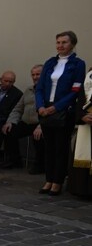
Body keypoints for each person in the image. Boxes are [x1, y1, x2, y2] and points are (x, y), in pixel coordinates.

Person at [36, 31, 86, 195]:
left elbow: (76, 90)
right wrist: (40, 106)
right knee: (48, 147)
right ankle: (48, 179)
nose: (60, 45)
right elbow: (40, 87)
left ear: (72, 44)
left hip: (63, 110)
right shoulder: (50, 62)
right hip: (46, 108)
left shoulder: (78, 64)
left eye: (64, 42)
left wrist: (57, 107)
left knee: (60, 147)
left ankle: (58, 180)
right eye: (58, 42)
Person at [1, 65, 45, 172]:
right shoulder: (28, 90)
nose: (35, 77)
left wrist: (41, 126)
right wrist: (10, 122)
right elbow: (18, 109)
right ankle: (14, 161)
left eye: (38, 74)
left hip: (40, 124)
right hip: (26, 122)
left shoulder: (48, 91)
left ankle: (40, 165)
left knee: (38, 137)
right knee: (9, 131)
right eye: (33, 75)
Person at [67, 65, 92, 198]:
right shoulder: (89, 77)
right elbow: (81, 99)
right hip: (86, 124)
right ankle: (82, 189)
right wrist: (82, 115)